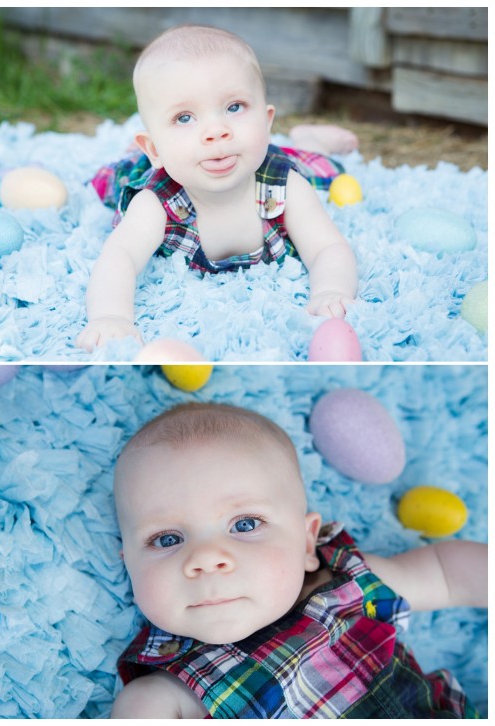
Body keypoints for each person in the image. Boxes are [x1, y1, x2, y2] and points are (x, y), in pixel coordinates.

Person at [112, 402, 486, 718]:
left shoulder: (346, 582)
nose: (206, 559)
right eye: (166, 539)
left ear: (307, 544)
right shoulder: (164, 695)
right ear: (129, 563)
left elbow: (446, 574)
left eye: (245, 524)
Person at [78, 24, 359, 352]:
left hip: (259, 158)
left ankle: (307, 141)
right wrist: (111, 316)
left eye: (234, 107)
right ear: (153, 147)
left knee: (324, 171)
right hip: (159, 170)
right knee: (108, 180)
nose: (216, 131)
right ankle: (144, 150)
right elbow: (120, 256)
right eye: (184, 118)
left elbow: (328, 246)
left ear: (267, 120)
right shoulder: (156, 203)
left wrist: (330, 290)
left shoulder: (284, 184)